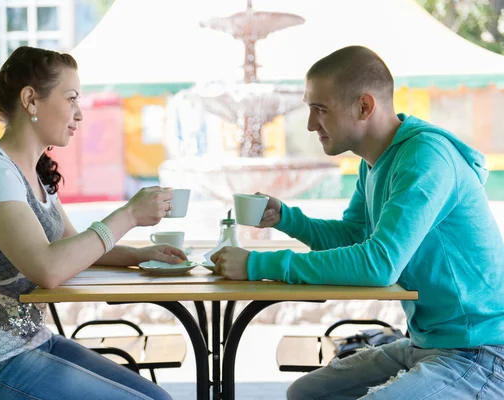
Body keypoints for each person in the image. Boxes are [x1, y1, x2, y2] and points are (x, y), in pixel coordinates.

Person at [211, 45, 504, 399]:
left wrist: (258, 264)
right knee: (306, 393)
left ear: (364, 106)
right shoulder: (375, 163)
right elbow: (354, 237)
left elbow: (379, 265)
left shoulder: (426, 158)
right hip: (426, 344)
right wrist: (288, 219)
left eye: (320, 109)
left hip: (480, 353)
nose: (309, 124)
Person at [0, 46, 184, 400]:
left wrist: (141, 253)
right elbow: (49, 268)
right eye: (71, 99)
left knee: (159, 398)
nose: (79, 113)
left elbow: (75, 245)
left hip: (32, 342)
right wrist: (128, 215)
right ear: (31, 100)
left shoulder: (35, 172)